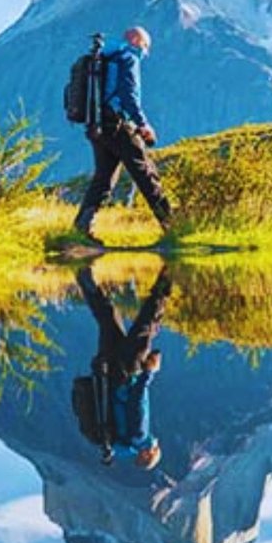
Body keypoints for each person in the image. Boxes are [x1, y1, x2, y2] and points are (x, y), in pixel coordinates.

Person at [73, 26, 174, 243]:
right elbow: (129, 96)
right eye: (146, 47)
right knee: (145, 172)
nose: (145, 53)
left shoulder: (101, 58)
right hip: (117, 124)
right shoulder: (128, 58)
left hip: (96, 126)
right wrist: (143, 124)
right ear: (136, 40)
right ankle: (172, 226)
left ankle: (81, 228)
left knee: (103, 179)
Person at [78, 264, 172, 470]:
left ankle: (168, 275)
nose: (156, 443)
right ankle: (84, 277)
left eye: (156, 448)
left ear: (147, 454)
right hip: (107, 373)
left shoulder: (139, 437)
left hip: (127, 372)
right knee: (108, 318)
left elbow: (136, 402)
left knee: (146, 326)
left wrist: (149, 372)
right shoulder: (116, 443)